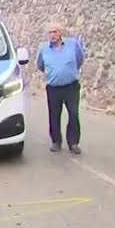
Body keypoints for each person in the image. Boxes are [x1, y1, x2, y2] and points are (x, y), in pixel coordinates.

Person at [36, 22, 86, 154]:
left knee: (74, 113)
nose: (52, 35)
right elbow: (40, 65)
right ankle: (56, 141)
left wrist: (69, 71)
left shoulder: (73, 44)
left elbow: (79, 59)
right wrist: (52, 73)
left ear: (61, 33)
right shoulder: (44, 49)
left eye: (55, 32)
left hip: (71, 86)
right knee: (54, 115)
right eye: (50, 32)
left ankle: (73, 142)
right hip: (53, 87)